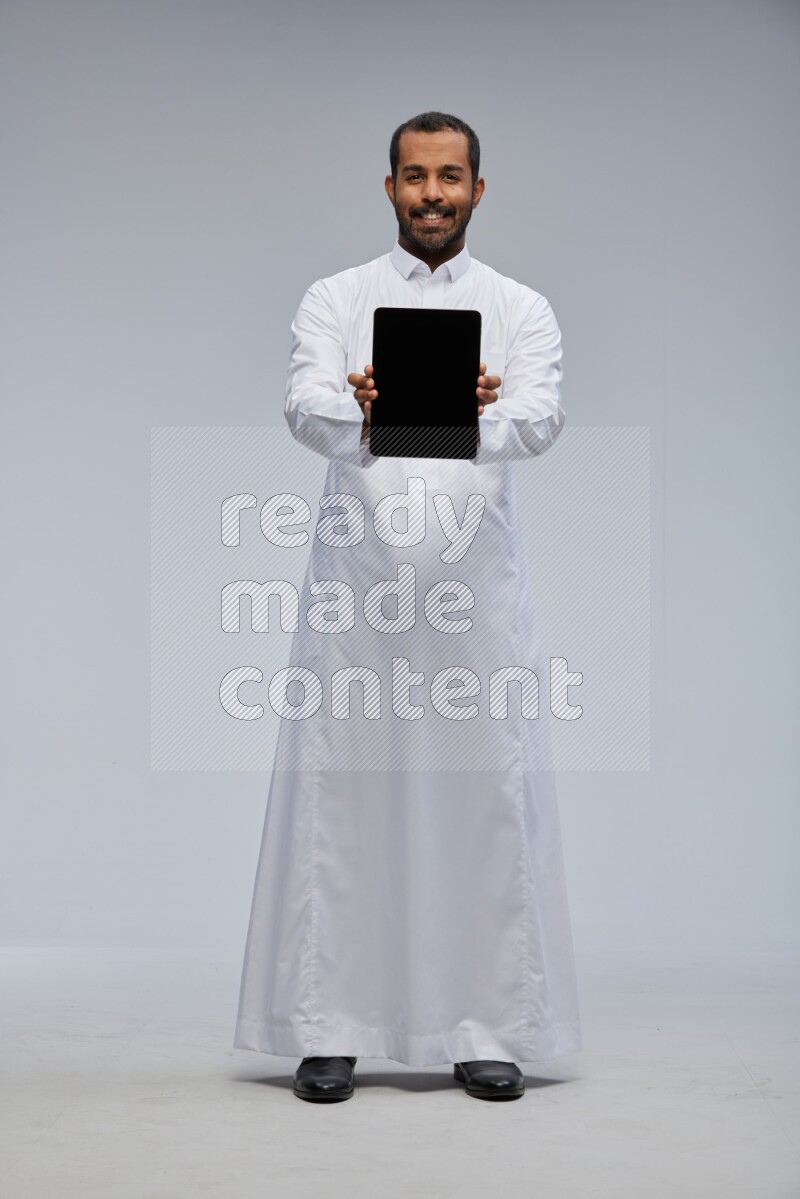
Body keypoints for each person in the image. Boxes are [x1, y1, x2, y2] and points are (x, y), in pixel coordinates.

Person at [233, 111, 581, 1102]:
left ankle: (485, 1025)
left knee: (481, 798)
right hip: (360, 588)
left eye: (451, 177)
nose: (433, 193)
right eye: (415, 176)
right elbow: (304, 404)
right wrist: (367, 403)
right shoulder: (335, 298)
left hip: (474, 589)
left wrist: (473, 406)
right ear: (387, 186)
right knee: (344, 791)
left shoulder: (520, 308)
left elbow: (539, 413)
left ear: (478, 189)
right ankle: (328, 1023)